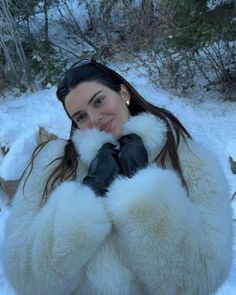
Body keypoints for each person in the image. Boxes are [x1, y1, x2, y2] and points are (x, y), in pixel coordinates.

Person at [3, 58, 233, 295]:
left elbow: (203, 277)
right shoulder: (53, 165)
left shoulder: (189, 159)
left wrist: (142, 187)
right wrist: (88, 193)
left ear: (124, 93)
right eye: (80, 116)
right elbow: (26, 278)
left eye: (99, 101)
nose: (93, 119)